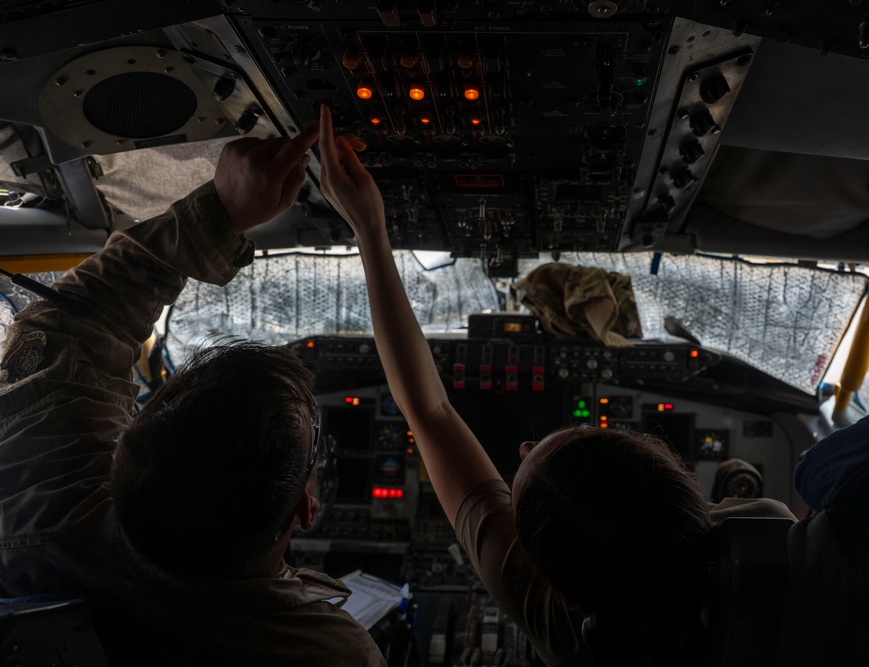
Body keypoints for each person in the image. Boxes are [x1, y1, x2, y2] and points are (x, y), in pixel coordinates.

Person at [316, 105, 795, 667]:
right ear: (678, 482)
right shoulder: (770, 534)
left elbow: (430, 412)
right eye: (572, 437)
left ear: (551, 579)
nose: (522, 448)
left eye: (523, 467)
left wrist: (370, 229)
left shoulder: (561, 623)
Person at [0, 127, 386, 666]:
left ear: (125, 444)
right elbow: (68, 327)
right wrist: (222, 209)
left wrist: (221, 211)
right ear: (307, 507)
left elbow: (70, 327)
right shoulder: (329, 651)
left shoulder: (34, 508)